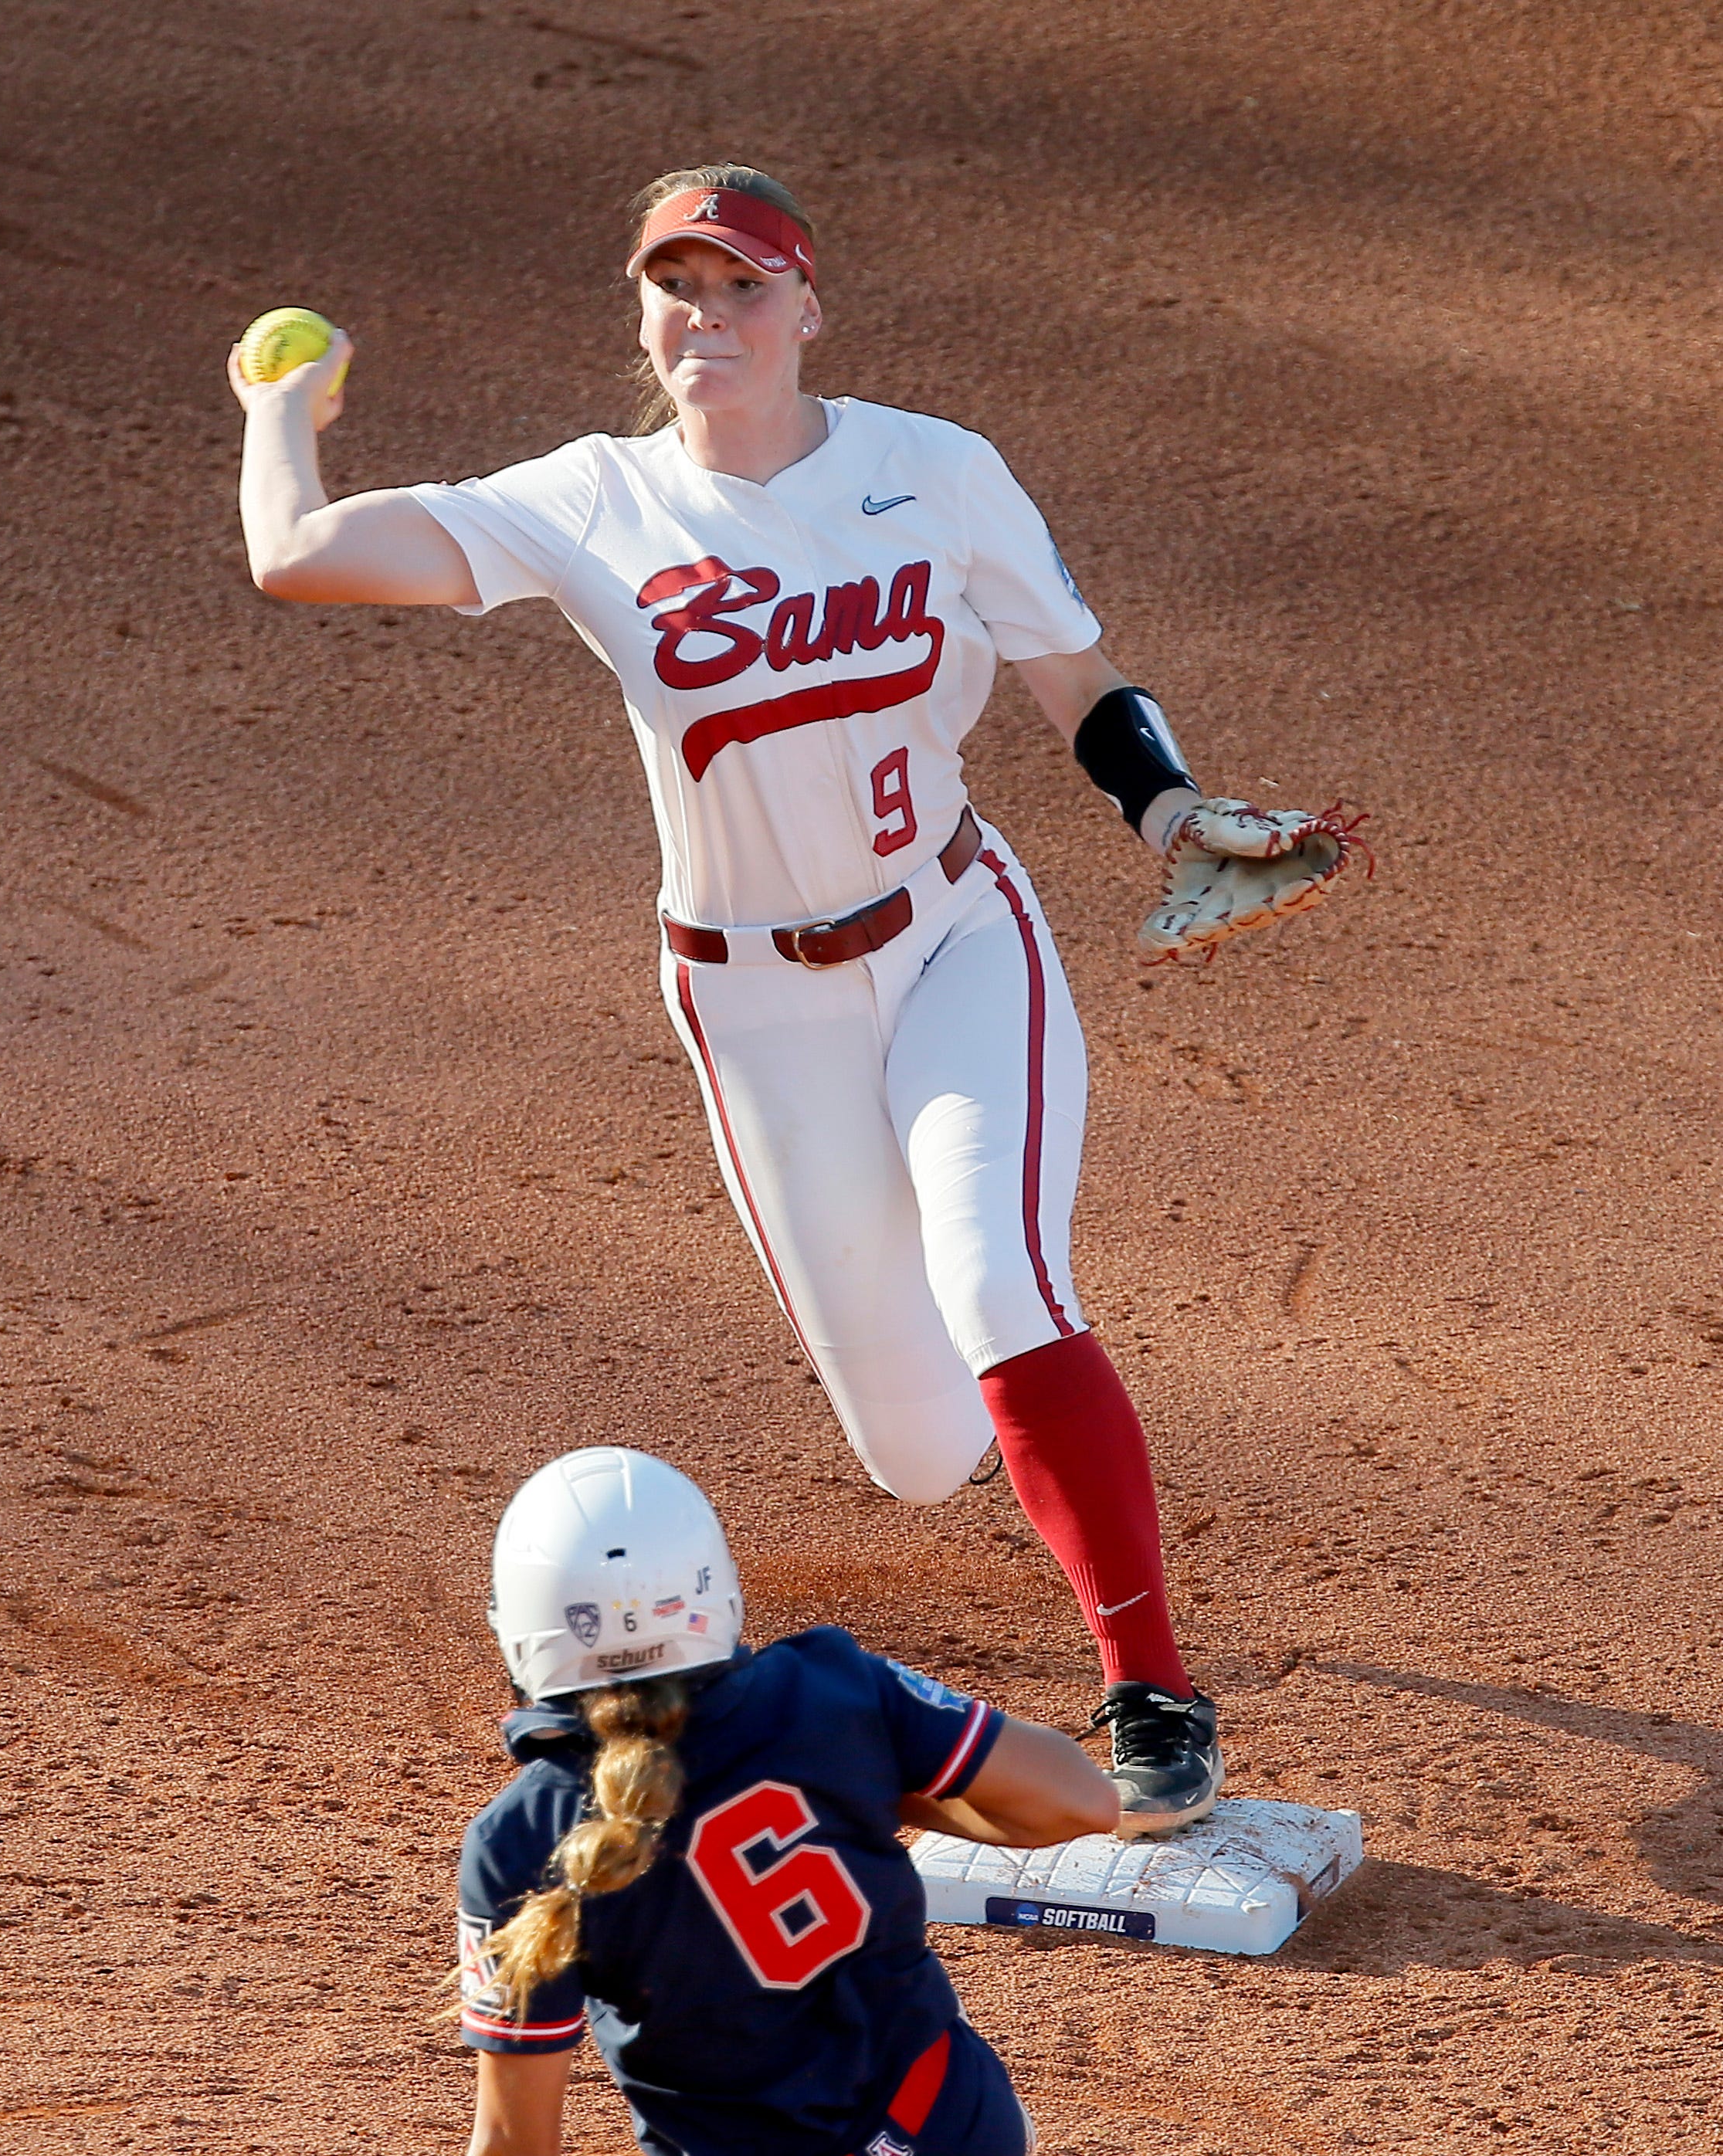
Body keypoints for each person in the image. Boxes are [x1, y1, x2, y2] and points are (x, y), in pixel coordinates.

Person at [231, 163, 1359, 1832]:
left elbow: (1072, 677)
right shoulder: (591, 503)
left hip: (956, 935)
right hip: (752, 1005)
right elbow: (299, 559)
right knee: (915, 1448)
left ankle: (1147, 1684)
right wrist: (280, 402)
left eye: (745, 285)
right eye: (676, 285)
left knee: (1001, 1281)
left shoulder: (934, 471)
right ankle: (1020, 1441)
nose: (710, 314)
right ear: (642, 314)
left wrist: (1170, 808)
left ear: (807, 308)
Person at [450, 1446, 1120, 2156]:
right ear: (711, 1589)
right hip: (968, 2133)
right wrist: (880, 1781)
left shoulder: (521, 1840)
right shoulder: (833, 1687)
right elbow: (1082, 1799)